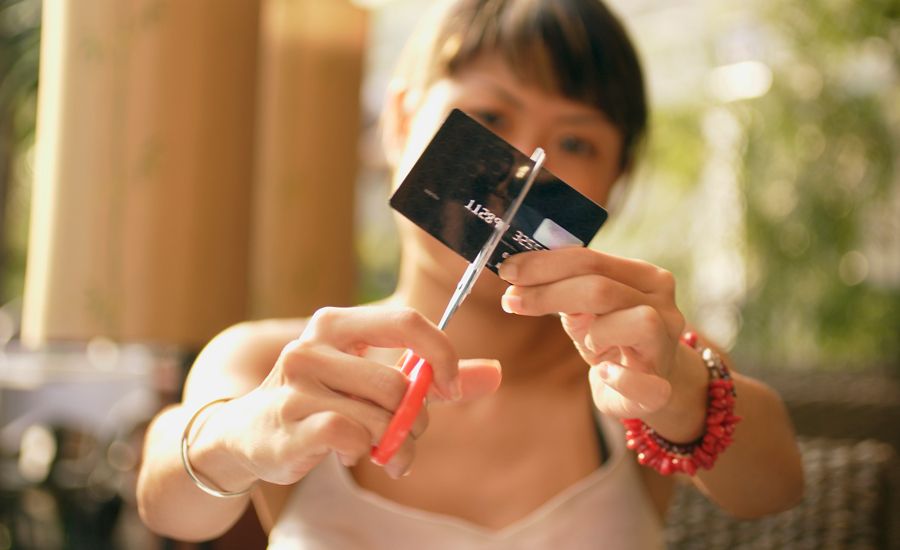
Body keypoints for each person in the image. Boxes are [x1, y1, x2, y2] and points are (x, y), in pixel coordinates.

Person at [137, 0, 804, 547]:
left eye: (575, 142)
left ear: (615, 182)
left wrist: (684, 395)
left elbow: (776, 487)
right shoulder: (285, 362)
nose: (525, 166)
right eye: (490, 117)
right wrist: (238, 436)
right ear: (400, 122)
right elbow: (166, 505)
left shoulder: (636, 366)